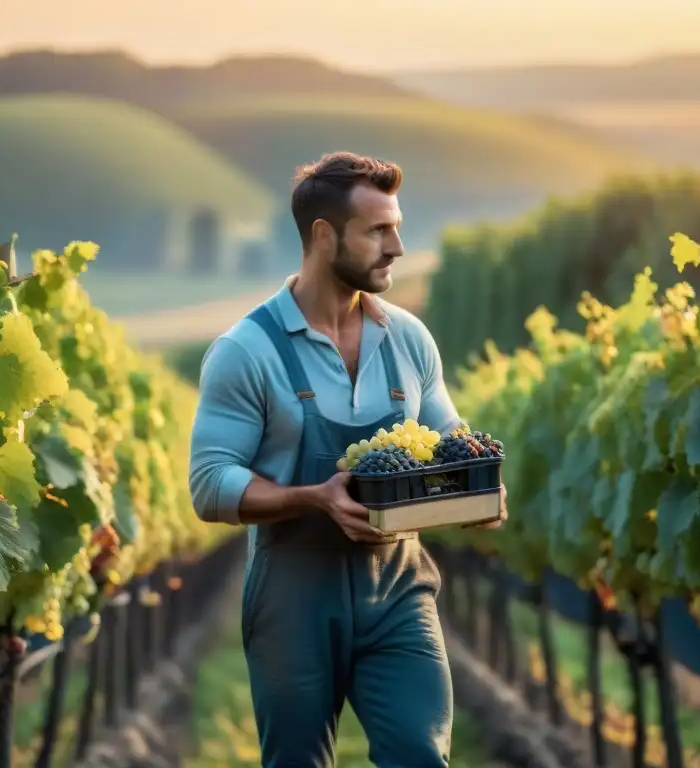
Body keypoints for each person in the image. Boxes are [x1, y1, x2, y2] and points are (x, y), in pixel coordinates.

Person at [188, 151, 507, 768]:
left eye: (397, 226)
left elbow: (447, 439)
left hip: (398, 591)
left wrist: (472, 490)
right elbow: (210, 483)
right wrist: (313, 498)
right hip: (293, 599)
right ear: (323, 235)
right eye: (378, 231)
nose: (397, 247)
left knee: (420, 753)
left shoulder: (410, 339)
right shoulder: (246, 350)